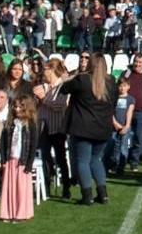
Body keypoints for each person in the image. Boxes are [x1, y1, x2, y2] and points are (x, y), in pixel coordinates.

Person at [59, 54, 115, 206]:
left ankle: (87, 196)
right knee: (96, 159)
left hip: (83, 127)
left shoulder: (82, 80)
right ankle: (103, 195)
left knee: (82, 161)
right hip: (103, 128)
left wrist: (68, 77)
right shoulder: (111, 82)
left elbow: (64, 89)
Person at [33, 59, 72, 200]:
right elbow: (36, 107)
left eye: (46, 69)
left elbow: (60, 106)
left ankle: (66, 187)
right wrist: (36, 100)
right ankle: (46, 186)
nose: (44, 72)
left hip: (58, 127)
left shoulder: (64, 87)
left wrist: (43, 98)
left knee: (61, 158)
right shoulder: (42, 86)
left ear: (52, 70)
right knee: (44, 157)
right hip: (43, 126)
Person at [0, 94, 40, 223]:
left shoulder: (31, 125)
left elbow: (33, 146)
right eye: (15, 106)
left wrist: (29, 164)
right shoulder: (9, 124)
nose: (16, 109)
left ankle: (21, 213)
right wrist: (3, 160)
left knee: (21, 188)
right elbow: (3, 143)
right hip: (11, 160)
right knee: (9, 187)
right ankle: (8, 212)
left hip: (22, 161)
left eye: (20, 107)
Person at [110, 78, 136, 175]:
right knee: (114, 146)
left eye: (124, 86)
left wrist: (127, 126)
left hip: (125, 127)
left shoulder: (130, 99)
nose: (122, 88)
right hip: (114, 126)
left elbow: (129, 112)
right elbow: (110, 112)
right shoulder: (114, 98)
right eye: (120, 86)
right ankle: (113, 165)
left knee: (123, 147)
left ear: (128, 87)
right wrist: (115, 124)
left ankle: (121, 166)